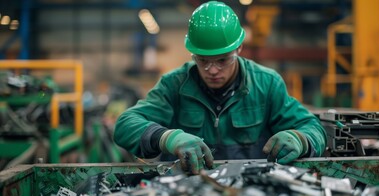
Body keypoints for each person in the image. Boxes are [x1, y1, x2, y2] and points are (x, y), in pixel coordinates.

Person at [113, 1, 327, 174]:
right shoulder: (174, 84)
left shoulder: (267, 83)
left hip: (250, 191)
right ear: (193, 54)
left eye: (223, 60)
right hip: (185, 190)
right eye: (203, 60)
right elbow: (125, 125)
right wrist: (168, 138)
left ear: (239, 48)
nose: (212, 70)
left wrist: (301, 139)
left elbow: (314, 128)